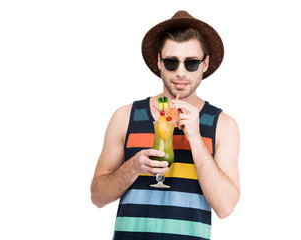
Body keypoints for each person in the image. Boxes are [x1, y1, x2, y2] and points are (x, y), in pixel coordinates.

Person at [90, 10, 240, 240]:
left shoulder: (222, 125)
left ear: (205, 64)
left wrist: (197, 140)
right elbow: (97, 197)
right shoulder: (125, 117)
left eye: (191, 63)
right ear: (159, 61)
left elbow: (225, 207)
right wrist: (133, 167)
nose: (180, 73)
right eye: (171, 62)